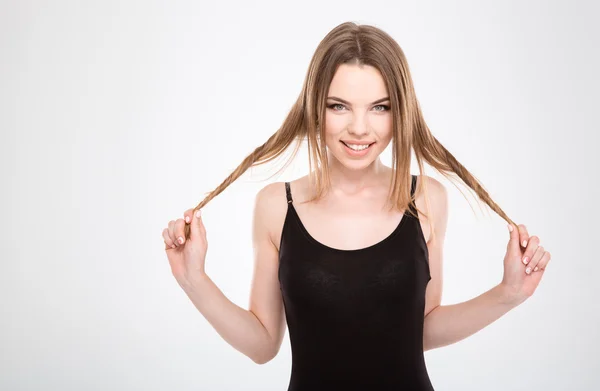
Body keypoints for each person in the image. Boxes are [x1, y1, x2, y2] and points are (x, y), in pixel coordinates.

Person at [161, 21, 551, 390]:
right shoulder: (277, 206)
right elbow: (263, 345)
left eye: (380, 107)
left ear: (401, 112)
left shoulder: (426, 199)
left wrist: (508, 293)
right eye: (339, 106)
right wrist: (194, 280)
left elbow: (421, 329)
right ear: (315, 107)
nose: (360, 128)